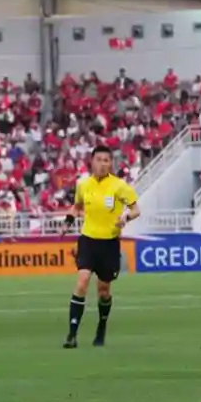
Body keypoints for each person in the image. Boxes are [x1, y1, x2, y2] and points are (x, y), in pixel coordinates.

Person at [63, 146, 141, 348]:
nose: (103, 163)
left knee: (103, 290)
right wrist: (69, 219)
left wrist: (125, 217)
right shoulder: (83, 185)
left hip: (109, 243)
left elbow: (136, 210)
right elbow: (77, 206)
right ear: (92, 161)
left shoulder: (119, 186)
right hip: (88, 240)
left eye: (107, 160)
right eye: (99, 159)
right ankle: (72, 334)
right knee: (82, 282)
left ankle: (102, 326)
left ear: (111, 163)